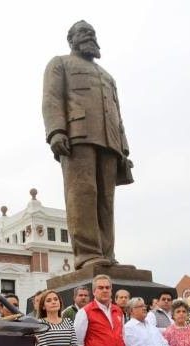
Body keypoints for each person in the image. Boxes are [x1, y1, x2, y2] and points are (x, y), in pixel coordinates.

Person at [42, 20, 132, 269]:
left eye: (92, 33)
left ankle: (107, 253)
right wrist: (56, 131)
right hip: (77, 136)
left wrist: (123, 148)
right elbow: (51, 99)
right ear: (71, 39)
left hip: (109, 140)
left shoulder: (107, 76)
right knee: (82, 193)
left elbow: (117, 113)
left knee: (106, 199)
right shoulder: (59, 63)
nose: (90, 37)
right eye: (84, 33)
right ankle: (88, 254)